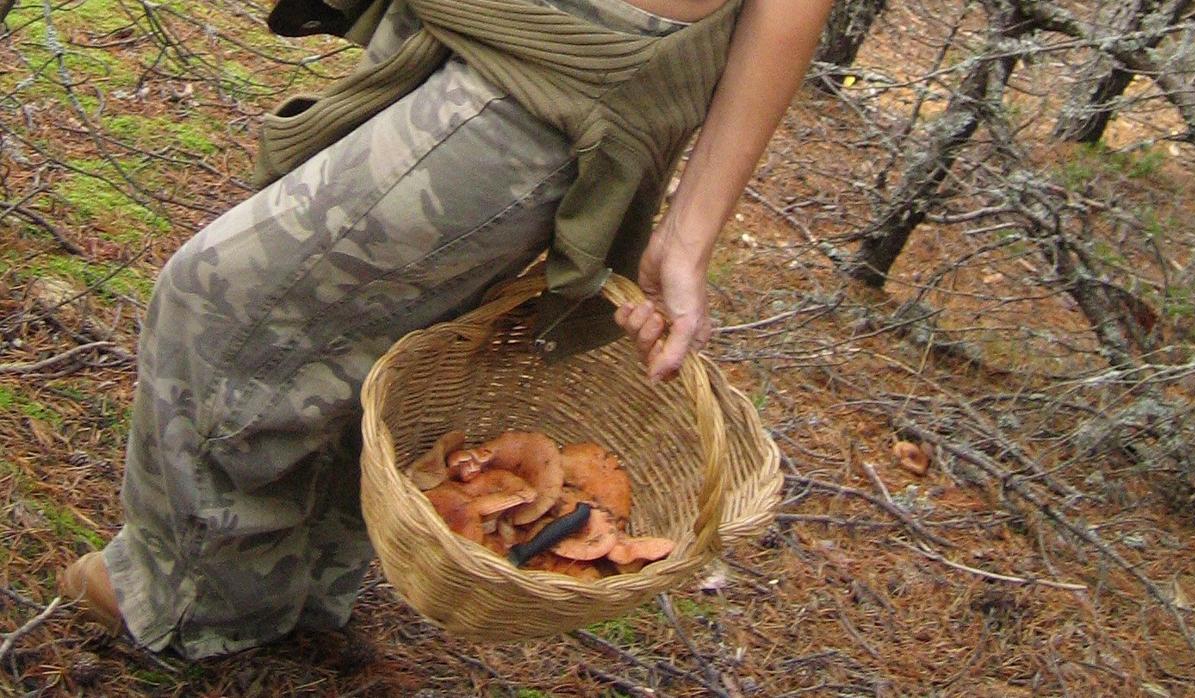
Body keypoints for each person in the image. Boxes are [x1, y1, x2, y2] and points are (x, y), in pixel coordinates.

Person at [58, 0, 834, 658]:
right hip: (489, 31)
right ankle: (298, 595)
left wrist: (692, 232)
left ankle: (200, 606)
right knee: (368, 335)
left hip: (561, 69)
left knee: (218, 303)